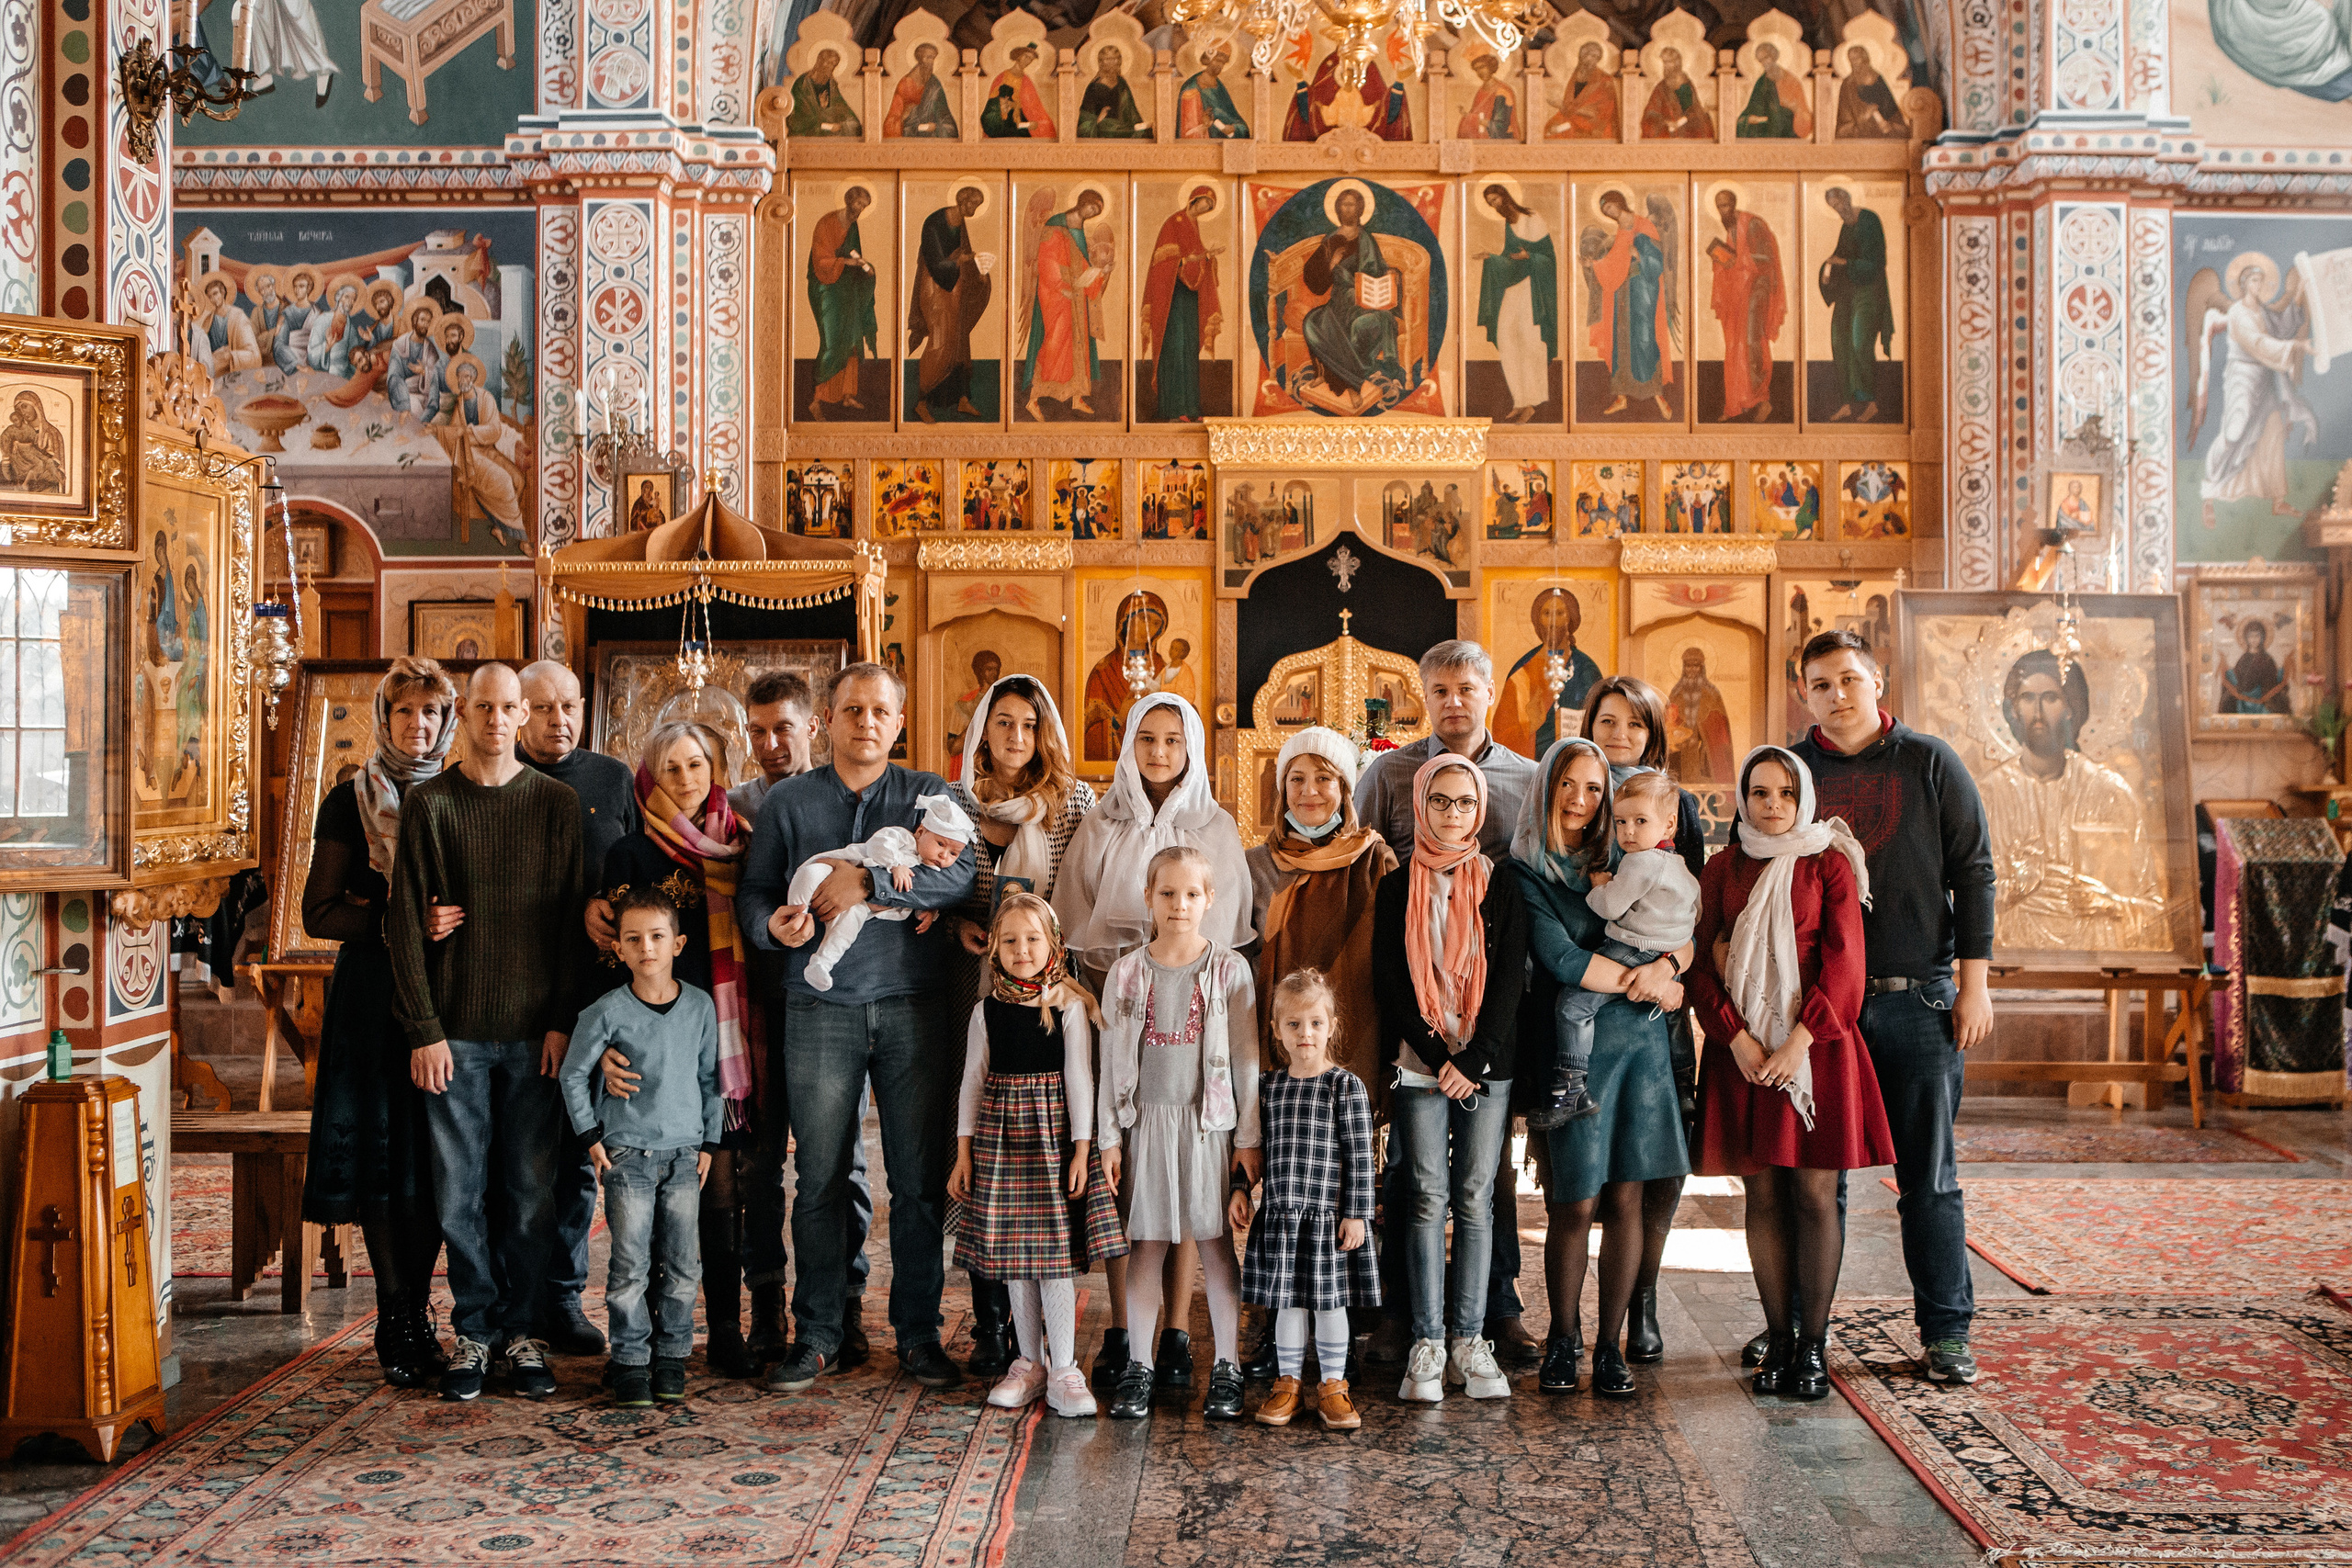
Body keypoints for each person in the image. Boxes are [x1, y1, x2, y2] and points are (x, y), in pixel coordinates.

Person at [739, 663, 978, 1393]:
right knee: (818, 1177)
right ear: (829, 719)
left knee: (916, 1182)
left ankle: (918, 1333)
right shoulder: (790, 801)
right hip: (818, 1009)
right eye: (852, 710)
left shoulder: (929, 794)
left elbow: (963, 875)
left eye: (879, 711)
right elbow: (755, 890)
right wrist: (773, 928)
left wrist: (869, 882)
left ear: (899, 722)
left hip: (912, 1004)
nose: (866, 722)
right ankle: (817, 1333)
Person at [1791, 629, 1996, 1384]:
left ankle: (1946, 1331)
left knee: (1928, 1177)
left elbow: (1975, 872)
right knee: (1815, 1182)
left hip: (1919, 998)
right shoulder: (1795, 772)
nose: (1837, 694)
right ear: (1804, 693)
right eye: (1821, 683)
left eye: (1850, 679)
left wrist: (1975, 984)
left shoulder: (1930, 762)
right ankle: (1799, 1330)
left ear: (1877, 682)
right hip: (1819, 1009)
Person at [384, 663, 585, 1403]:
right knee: (458, 1193)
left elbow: (571, 923)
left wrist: (562, 1020)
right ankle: (474, 1329)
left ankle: (523, 1331)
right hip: (455, 1035)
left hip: (536, 1035)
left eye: (510, 707)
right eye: (484, 707)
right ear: (463, 716)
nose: (498, 720)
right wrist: (423, 1029)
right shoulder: (431, 803)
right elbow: (404, 920)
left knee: (530, 1192)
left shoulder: (557, 804)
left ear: (524, 714)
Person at [1056, 691, 1253, 1392]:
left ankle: (1176, 1330)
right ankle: (1124, 1331)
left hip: (1195, 1020)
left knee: (1196, 1206)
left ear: (1191, 746)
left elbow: (1223, 926)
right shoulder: (1102, 820)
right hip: (1120, 1000)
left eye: (1174, 739)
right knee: (1133, 1200)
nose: (1161, 751)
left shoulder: (1215, 825)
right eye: (1148, 738)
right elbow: (1075, 911)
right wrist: (1107, 993)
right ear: (1130, 745)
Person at [1353, 640, 1540, 1365]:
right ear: (1424, 696)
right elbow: (1365, 858)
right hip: (1418, 1010)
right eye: (1439, 690)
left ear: (1490, 691)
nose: (1454, 700)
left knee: (1487, 1177)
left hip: (1493, 1007)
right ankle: (1404, 1310)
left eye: (1467, 687)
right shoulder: (1390, 772)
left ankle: (1497, 1308)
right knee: (1410, 1170)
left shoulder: (1525, 778)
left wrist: (1484, 1044)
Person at [1690, 747, 1894, 1401]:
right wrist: (1737, 1039)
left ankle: (1812, 1345)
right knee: (1764, 1198)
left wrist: (1798, 1041)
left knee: (1813, 1194)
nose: (1772, 804)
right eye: (1759, 792)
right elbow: (1700, 964)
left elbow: (1846, 964)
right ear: (1743, 800)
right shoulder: (1722, 867)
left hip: (1817, 1047)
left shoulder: (1828, 862)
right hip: (1745, 1054)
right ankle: (1778, 1340)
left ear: (1803, 797)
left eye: (1785, 792)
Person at [1507, 738, 1690, 1397]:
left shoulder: (1625, 855)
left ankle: (1610, 1346)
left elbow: (1682, 925)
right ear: (1546, 788)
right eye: (1569, 784)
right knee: (1575, 1199)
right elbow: (1561, 959)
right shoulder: (1524, 872)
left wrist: (1672, 966)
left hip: (1639, 1047)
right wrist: (1650, 981)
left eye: (1594, 788)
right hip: (1572, 1056)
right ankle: (1563, 1339)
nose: (1581, 800)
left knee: (1627, 1197)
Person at [591, 722, 770, 1379]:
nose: (687, 778)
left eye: (697, 764)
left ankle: (724, 1329)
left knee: (719, 1187)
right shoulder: (629, 854)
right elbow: (611, 959)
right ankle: (647, 1340)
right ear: (651, 777)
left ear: (715, 769)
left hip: (721, 1037)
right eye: (672, 768)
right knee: (645, 1205)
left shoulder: (741, 842)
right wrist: (608, 1044)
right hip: (652, 1046)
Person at [300, 658, 458, 1389]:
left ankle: (419, 1308)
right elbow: (320, 911)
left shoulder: (460, 792)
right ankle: (397, 1316)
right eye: (404, 712)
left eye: (430, 712)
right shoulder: (349, 798)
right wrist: (401, 922)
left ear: (446, 721)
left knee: (433, 1165)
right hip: (370, 1000)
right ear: (384, 718)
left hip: (445, 997)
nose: (417, 724)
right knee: (384, 1162)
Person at [944, 674, 1098, 1377]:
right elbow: (939, 885)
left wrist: (1057, 969)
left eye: (1029, 725)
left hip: (1047, 984)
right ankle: (991, 1322)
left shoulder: (1071, 803)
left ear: (1045, 734)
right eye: (1002, 722)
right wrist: (960, 923)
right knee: (986, 1158)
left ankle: (1049, 1345)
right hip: (970, 988)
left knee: (1041, 1158)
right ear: (982, 729)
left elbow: (1081, 890)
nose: (1015, 736)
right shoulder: (953, 804)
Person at [1371, 758, 1527, 1404]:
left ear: (1480, 808)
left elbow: (1510, 978)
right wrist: (1440, 1058)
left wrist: (1474, 1059)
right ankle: (1428, 1341)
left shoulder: (1500, 882)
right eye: (1440, 800)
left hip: (1487, 1065)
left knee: (1476, 1195)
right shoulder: (1396, 886)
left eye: (1464, 802)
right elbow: (1392, 982)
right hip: (1421, 1063)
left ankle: (1469, 1338)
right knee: (1426, 1194)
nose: (1453, 813)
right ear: (1420, 805)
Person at [1095, 845, 1261, 1423]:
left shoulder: (1229, 970)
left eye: (1192, 894)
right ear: (1148, 897)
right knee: (1146, 1245)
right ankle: (1139, 1365)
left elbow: (1245, 1059)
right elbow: (1110, 1060)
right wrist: (1109, 1138)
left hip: (1207, 1127)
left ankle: (1227, 1366)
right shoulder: (1126, 973)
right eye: (1167, 893)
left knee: (1215, 1244)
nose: (1179, 904)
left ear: (1210, 899)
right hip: (1145, 1127)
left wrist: (1248, 1137)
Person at [1571, 676, 1708, 1363]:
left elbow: (1698, 913)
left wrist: (1671, 968)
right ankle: (1578, 1315)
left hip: (1658, 1003)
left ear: (1653, 734)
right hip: (1592, 998)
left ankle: (1642, 1296)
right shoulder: (1580, 797)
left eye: (1634, 723)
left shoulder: (1675, 808)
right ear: (1588, 727)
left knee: (1657, 1159)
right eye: (1607, 721)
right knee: (1587, 1170)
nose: (1620, 733)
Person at [947, 895, 1126, 1417]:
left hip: (1053, 1144)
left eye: (1032, 939)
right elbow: (972, 1081)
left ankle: (1065, 1368)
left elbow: (1080, 1080)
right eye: (1009, 940)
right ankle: (1029, 1362)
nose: (1021, 949)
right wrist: (963, 1152)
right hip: (1001, 1142)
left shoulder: (1069, 1006)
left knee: (1052, 1258)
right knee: (1015, 1260)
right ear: (994, 950)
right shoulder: (985, 1011)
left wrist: (1082, 1151)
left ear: (1054, 945)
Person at [516, 660, 640, 1359]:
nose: (558, 719)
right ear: (516, 713)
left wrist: (608, 905)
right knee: (517, 1162)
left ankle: (562, 1298)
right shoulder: (503, 776)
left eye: (568, 705)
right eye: (541, 707)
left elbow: (633, 867)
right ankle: (512, 1304)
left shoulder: (612, 778)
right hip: (520, 1000)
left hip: (593, 1003)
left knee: (574, 1156)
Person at [559, 886, 721, 1408]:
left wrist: (709, 1141)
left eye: (656, 936)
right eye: (633, 939)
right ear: (619, 949)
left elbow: (710, 1079)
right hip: (627, 1154)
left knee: (683, 1264)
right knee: (629, 1265)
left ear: (678, 944)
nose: (646, 947)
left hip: (685, 1156)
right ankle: (630, 1360)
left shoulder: (700, 1006)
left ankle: (671, 1356)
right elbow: (573, 1074)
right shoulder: (605, 1011)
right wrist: (590, 1137)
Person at [1237, 968, 1378, 1430]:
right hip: (1282, 1215)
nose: (1306, 1033)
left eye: (1316, 1023)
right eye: (1294, 1024)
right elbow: (1253, 1147)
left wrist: (1356, 1214)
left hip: (1327, 1220)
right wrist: (1240, 1189)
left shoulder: (1344, 1086)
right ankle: (1289, 1383)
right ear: (1277, 1029)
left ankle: (1334, 1385)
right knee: (1287, 1303)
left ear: (1332, 1026)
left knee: (1329, 1303)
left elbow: (1360, 1156)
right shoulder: (1269, 1087)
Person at [1532, 768, 1700, 1130]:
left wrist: (1599, 886)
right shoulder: (1680, 867)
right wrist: (1671, 955)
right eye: (1621, 822)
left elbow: (1609, 907)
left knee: (1573, 1005)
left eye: (1640, 821)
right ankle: (1685, 1082)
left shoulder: (1639, 862)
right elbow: (1695, 913)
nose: (1629, 832)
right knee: (1673, 1014)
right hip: (1669, 953)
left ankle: (1572, 1088)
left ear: (1669, 825)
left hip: (1634, 947)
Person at [784, 793, 974, 991]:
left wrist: (927, 911)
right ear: (920, 831)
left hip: (859, 904)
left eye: (953, 853)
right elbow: (879, 843)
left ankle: (822, 963)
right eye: (940, 844)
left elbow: (920, 894)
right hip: (838, 868)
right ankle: (797, 915)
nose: (944, 855)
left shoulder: (931, 870)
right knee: (810, 874)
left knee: (846, 929)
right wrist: (895, 865)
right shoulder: (904, 838)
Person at [1022, 189, 1112, 421]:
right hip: (1057, 297)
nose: (1093, 212)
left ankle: (1076, 397)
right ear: (1083, 202)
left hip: (1076, 298)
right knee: (1054, 344)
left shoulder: (1079, 230)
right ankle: (1033, 399)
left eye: (1097, 211)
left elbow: (1081, 263)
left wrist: (1100, 273)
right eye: (1092, 206)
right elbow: (1046, 261)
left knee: (1079, 346)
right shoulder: (1055, 225)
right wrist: (1061, 287)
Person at [908, 186, 993, 423]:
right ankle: (921, 403)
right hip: (934, 287)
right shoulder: (934, 222)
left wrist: (978, 272)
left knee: (960, 341)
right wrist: (960, 260)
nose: (974, 209)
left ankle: (962, 399)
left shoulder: (960, 223)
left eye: (978, 205)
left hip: (955, 288)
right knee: (940, 343)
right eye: (972, 204)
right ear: (962, 200)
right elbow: (934, 261)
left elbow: (963, 254)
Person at [1476, 183, 1558, 424]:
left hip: (1533, 288)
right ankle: (1520, 400)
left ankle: (1534, 401)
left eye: (1496, 200)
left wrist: (1529, 256)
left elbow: (1548, 257)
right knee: (1505, 337)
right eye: (1490, 204)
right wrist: (1492, 258)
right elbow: (1508, 259)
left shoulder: (1531, 218)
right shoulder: (1508, 224)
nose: (1495, 206)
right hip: (1513, 286)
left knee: (1530, 341)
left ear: (1505, 196)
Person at [1589, 189, 1675, 418]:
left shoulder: (1644, 225)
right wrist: (1595, 265)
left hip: (1643, 290)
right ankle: (1621, 397)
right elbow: (1615, 260)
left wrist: (1639, 255)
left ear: (1619, 202)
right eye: (1605, 211)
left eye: (1609, 207)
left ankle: (1658, 396)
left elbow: (1657, 261)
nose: (1609, 212)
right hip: (1622, 293)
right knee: (1620, 340)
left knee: (1645, 338)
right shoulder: (1620, 231)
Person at [1143, 186, 1224, 423]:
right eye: (1204, 204)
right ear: (1193, 200)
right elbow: (1164, 261)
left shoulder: (1193, 225)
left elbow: (1195, 259)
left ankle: (1190, 408)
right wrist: (1194, 258)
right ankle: (1174, 409)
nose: (1205, 210)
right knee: (1176, 348)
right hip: (1172, 297)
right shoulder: (1174, 222)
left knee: (1189, 350)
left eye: (1209, 208)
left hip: (1189, 297)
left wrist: (1207, 258)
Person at [1708, 188, 1786, 422]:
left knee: (1752, 342)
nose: (1722, 211)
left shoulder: (1752, 224)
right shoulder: (1731, 229)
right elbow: (1734, 262)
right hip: (1740, 294)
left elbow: (1767, 258)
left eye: (1725, 205)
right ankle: (1738, 403)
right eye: (1719, 206)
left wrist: (1737, 260)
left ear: (1733, 204)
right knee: (1735, 346)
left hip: (1757, 291)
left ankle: (1763, 401)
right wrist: (1722, 260)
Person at [1819, 187, 1893, 422]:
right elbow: (1839, 255)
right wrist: (1827, 270)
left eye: (1839, 204)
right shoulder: (1846, 227)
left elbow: (1876, 262)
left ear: (1847, 199)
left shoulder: (1868, 220)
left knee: (1860, 342)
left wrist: (1844, 263)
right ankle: (1847, 403)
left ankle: (1870, 402)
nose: (1838, 210)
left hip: (1869, 290)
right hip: (1847, 291)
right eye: (1833, 207)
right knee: (1839, 341)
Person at [808, 186, 878, 416]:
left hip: (846, 288)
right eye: (858, 204)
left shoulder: (853, 226)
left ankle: (847, 395)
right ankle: (817, 400)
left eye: (864, 206)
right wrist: (846, 263)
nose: (860, 209)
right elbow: (820, 260)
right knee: (832, 342)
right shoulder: (827, 223)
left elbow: (854, 254)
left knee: (852, 338)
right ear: (849, 201)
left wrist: (865, 268)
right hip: (825, 287)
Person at [730, 671, 818, 820]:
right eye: (758, 731)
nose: (770, 745)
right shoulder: (732, 809)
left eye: (783, 729)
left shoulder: (841, 802)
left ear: (812, 728)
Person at [1736, 42, 1813, 137]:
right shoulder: (1762, 82)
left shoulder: (1792, 82)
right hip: (1767, 128)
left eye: (1766, 58)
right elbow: (1753, 108)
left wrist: (1793, 108)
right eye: (1761, 60)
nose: (1764, 63)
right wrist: (1747, 119)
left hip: (1788, 129)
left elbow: (1804, 114)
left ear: (1774, 57)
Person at [982, 43, 1057, 139]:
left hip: (1021, 118)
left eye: (1031, 59)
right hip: (1003, 119)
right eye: (1026, 57)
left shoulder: (1027, 81)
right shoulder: (1001, 77)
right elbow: (993, 103)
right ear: (1018, 56)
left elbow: (1034, 105)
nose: (1028, 61)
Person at [1546, 40, 1619, 138]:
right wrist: (1563, 108)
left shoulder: (1605, 80)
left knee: (1562, 133)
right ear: (1581, 56)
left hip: (1594, 124)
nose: (1590, 59)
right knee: (1549, 129)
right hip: (1572, 117)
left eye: (1595, 57)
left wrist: (1563, 106)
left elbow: (1602, 113)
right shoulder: (1576, 75)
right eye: (1587, 55)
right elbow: (1569, 105)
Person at [884, 41, 957, 137]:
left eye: (933, 58)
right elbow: (891, 122)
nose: (931, 62)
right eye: (928, 57)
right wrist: (903, 117)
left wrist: (937, 127)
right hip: (909, 135)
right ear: (919, 58)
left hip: (932, 136)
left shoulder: (934, 84)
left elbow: (945, 116)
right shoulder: (904, 85)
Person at [2221, 618, 2292, 714]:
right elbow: (2237, 680)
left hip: (2264, 702)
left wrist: (2286, 663)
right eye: (2250, 636)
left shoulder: (2267, 659)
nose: (2253, 639)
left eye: (2257, 636)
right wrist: (2224, 664)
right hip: (2242, 702)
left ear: (2262, 637)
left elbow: (2274, 681)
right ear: (2246, 638)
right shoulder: (2243, 659)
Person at [1639, 47, 1714, 138]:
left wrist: (1683, 120)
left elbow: (1693, 109)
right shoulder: (1661, 87)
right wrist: (1666, 123)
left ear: (1677, 63)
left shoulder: (1686, 85)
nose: (1666, 66)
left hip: (1686, 131)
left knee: (1704, 120)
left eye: (1669, 62)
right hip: (1666, 132)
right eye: (1665, 62)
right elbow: (1651, 112)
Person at [1178, 40, 1249, 137]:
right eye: (1217, 60)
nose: (1220, 65)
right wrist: (1206, 125)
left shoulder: (1220, 88)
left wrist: (1234, 128)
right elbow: (1188, 131)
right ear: (1208, 59)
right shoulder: (1191, 88)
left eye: (1223, 62)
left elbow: (1235, 119)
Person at [786, 49, 863, 136]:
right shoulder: (803, 84)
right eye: (829, 62)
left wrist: (846, 123)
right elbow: (798, 118)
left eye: (834, 65)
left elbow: (841, 107)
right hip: (808, 131)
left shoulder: (831, 84)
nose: (830, 67)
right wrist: (824, 119)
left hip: (828, 130)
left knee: (854, 126)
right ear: (820, 61)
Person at [1836, 45, 1907, 138]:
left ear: (1865, 58)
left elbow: (1892, 113)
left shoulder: (1878, 80)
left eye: (1857, 58)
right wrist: (1865, 116)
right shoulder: (1848, 84)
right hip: (1857, 135)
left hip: (1884, 135)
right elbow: (1844, 123)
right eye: (1851, 59)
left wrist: (1889, 125)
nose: (1854, 63)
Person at [1078, 44, 1149, 136]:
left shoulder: (1122, 83)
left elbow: (1131, 110)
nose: (1111, 63)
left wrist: (1139, 125)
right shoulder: (1094, 87)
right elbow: (1084, 118)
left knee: (1145, 133)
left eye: (1114, 59)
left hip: (1123, 127)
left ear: (1119, 61)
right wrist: (1098, 120)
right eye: (1107, 59)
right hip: (1103, 127)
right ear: (1101, 62)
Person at [1456, 51, 1519, 138]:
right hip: (1480, 138)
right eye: (1476, 69)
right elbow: (1475, 114)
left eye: (1482, 67)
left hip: (1499, 140)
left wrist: (1473, 118)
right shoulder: (1480, 91)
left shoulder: (1502, 91)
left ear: (1491, 67)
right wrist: (1468, 116)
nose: (1480, 72)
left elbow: (1501, 126)